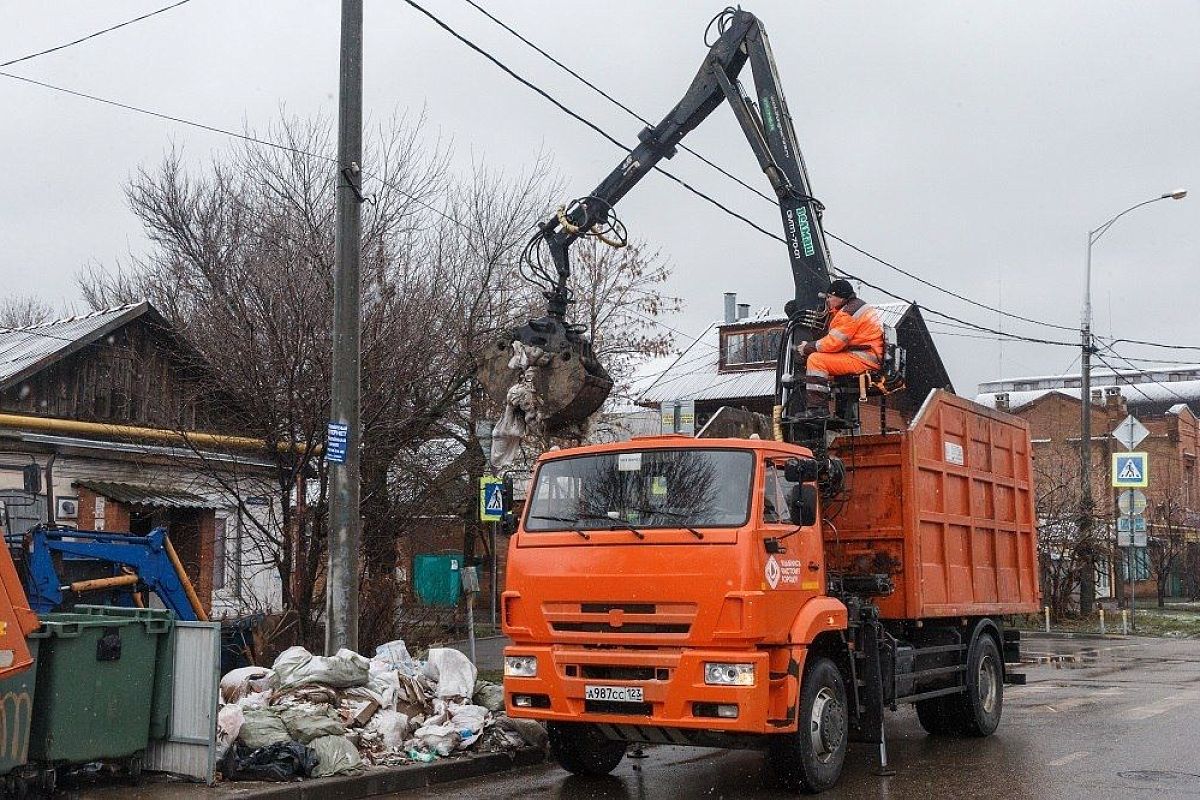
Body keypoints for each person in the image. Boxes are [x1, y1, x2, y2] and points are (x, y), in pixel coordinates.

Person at [792, 278, 884, 418]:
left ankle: (818, 409)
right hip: (866, 356)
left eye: (829, 297)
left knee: (816, 360)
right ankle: (844, 412)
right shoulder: (855, 308)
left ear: (840, 297)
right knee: (826, 365)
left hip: (861, 359)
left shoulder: (847, 314)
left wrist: (807, 348)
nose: (827, 301)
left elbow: (833, 343)